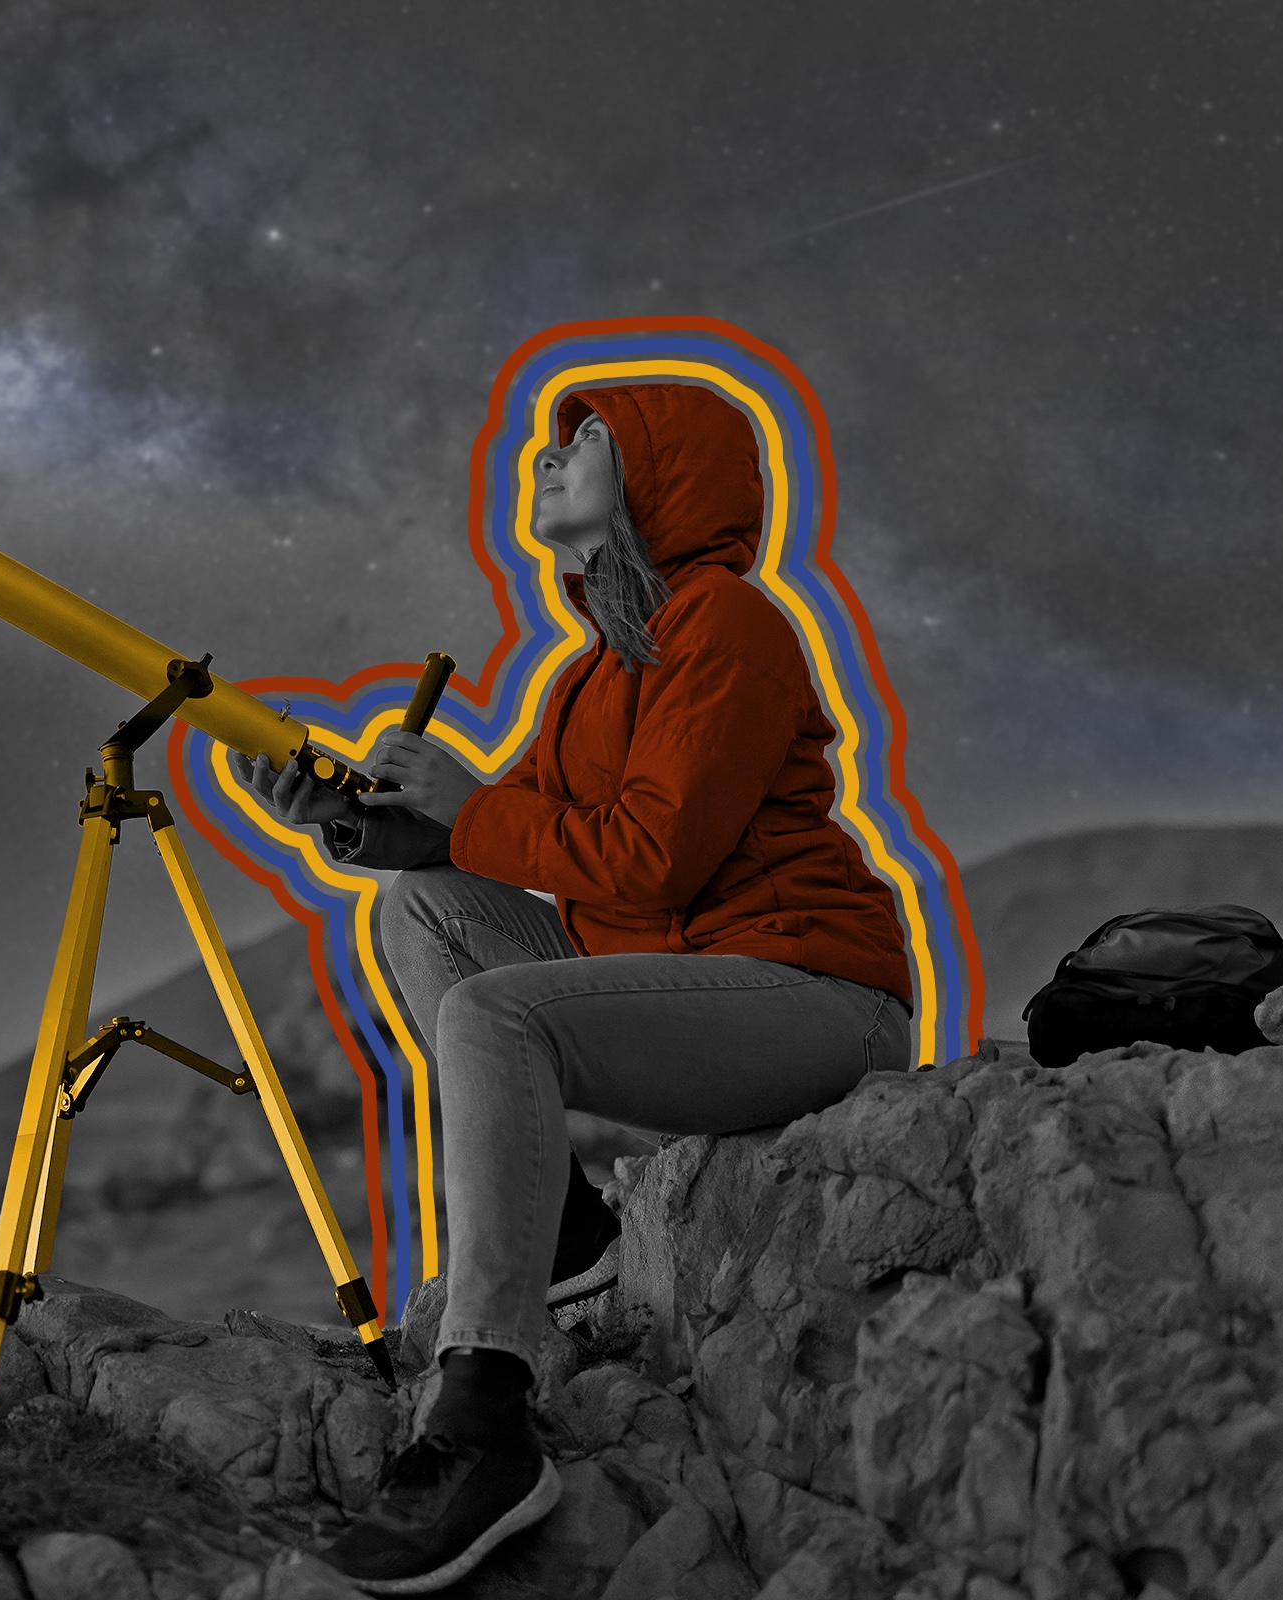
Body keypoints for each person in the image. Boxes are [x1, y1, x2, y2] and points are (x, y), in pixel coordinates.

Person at [232, 382, 913, 1594]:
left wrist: (468, 800)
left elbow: (653, 855)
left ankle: (485, 1407)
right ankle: (573, 1240)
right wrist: (345, 817)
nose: (550, 455)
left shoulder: (730, 625)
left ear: (667, 472)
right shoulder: (591, 676)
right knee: (421, 906)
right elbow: (490, 844)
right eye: (552, 439)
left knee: (493, 1009)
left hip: (815, 999)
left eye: (589, 440)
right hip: (689, 996)